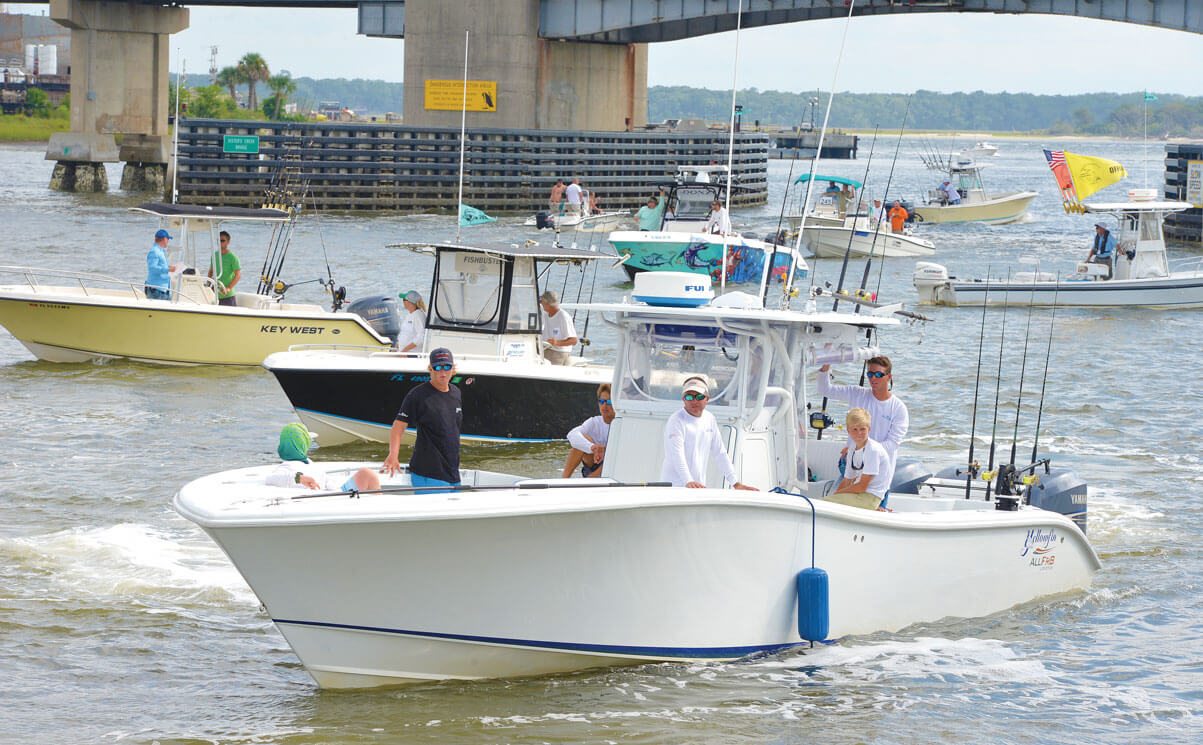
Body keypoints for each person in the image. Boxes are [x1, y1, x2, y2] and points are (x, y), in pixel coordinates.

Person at [817, 356, 909, 503]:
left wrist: (860, 448)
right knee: (832, 503)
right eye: (870, 374)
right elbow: (824, 389)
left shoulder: (898, 408)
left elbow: (892, 444)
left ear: (889, 377)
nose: (873, 378)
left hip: (878, 474)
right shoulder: (857, 393)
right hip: (852, 465)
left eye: (878, 374)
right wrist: (826, 364)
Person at [383, 348, 463, 491]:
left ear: (453, 368)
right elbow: (398, 426)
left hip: (453, 474)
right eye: (437, 367)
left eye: (447, 367)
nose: (442, 372)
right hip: (428, 474)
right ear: (430, 369)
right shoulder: (418, 395)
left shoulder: (456, 392)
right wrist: (393, 455)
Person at [660, 376, 756, 490]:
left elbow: (720, 453)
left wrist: (735, 483)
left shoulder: (709, 419)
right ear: (683, 399)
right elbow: (677, 454)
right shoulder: (676, 420)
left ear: (707, 398)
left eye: (699, 396)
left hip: (697, 487)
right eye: (689, 396)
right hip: (674, 487)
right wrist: (688, 481)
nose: (694, 401)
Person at [266, 423, 381, 492]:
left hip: (334, 495)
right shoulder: (286, 467)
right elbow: (272, 479)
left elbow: (327, 482)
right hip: (322, 502)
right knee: (367, 474)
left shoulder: (308, 462)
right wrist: (299, 478)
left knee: (367, 474)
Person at [829, 408, 890, 510]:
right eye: (855, 429)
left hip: (870, 497)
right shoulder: (852, 448)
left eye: (862, 429)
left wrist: (837, 494)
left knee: (826, 503)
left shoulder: (873, 450)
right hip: (858, 494)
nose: (859, 433)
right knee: (826, 501)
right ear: (848, 430)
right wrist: (835, 495)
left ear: (869, 429)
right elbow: (847, 480)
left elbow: (862, 486)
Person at [562, 383, 616, 478]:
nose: (604, 405)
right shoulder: (594, 422)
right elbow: (572, 435)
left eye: (608, 402)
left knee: (612, 458)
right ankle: (563, 480)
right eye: (601, 401)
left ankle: (591, 479)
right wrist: (593, 447)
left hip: (612, 468)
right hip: (593, 464)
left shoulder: (622, 424)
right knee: (581, 439)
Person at [539, 290, 578, 365]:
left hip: (559, 352)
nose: (541, 303)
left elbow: (574, 340)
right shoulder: (545, 313)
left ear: (548, 304)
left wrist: (557, 343)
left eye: (542, 302)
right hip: (545, 349)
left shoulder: (563, 316)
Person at [207, 230, 241, 306]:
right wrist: (208, 284)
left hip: (228, 296)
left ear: (228, 242)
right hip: (214, 295)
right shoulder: (214, 255)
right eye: (218, 240)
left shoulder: (233, 257)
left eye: (222, 240)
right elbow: (211, 271)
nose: (220, 242)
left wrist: (228, 288)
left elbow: (238, 275)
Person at [144, 228, 177, 300]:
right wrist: (168, 269)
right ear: (164, 239)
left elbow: (159, 266)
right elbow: (153, 268)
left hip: (162, 288)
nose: (168, 241)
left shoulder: (160, 251)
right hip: (157, 289)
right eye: (168, 239)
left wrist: (169, 267)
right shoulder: (154, 251)